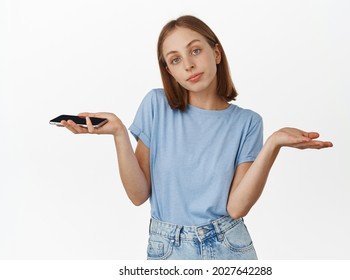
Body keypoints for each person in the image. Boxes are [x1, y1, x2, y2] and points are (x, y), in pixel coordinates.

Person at [60, 15, 333, 260]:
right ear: (169, 70)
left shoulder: (248, 122)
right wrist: (119, 132)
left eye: (195, 50)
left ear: (216, 53)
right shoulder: (156, 106)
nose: (189, 65)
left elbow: (237, 208)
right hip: (167, 247)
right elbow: (138, 195)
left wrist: (273, 144)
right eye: (176, 59)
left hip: (229, 245)